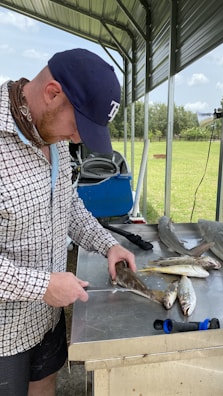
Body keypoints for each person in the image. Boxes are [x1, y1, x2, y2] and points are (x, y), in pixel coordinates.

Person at [0, 48, 136, 396]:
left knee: (46, 385)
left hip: (47, 318)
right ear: (52, 93)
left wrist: (109, 244)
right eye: (77, 126)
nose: (77, 140)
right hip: (4, 334)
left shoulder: (53, 137)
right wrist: (43, 286)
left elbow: (67, 204)